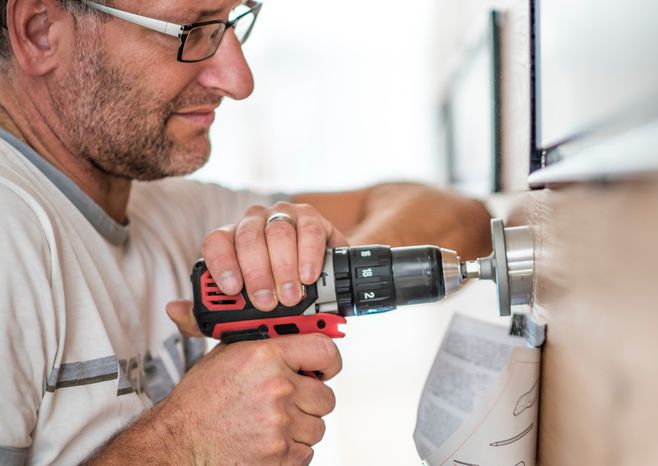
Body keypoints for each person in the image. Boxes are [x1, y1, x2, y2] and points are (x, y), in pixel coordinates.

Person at [0, 0, 492, 464]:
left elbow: (461, 218)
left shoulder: (170, 210)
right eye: (192, 29)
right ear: (39, 31)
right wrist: (184, 446)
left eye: (233, 20)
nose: (239, 80)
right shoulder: (12, 235)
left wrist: (326, 267)